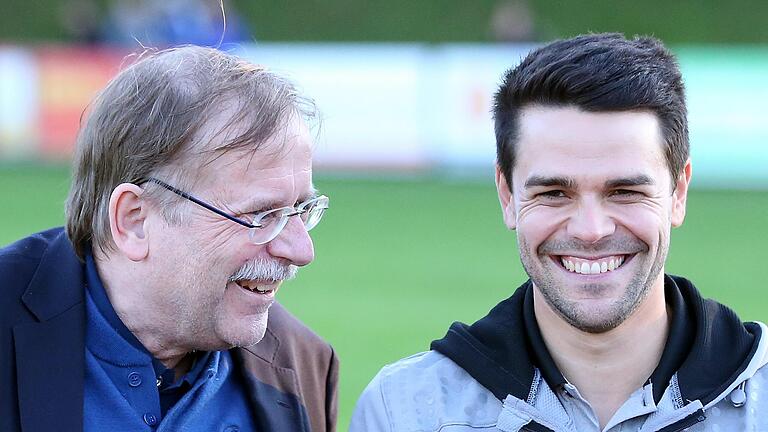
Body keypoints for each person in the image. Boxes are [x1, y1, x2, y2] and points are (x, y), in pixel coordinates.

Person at [351, 33, 768, 431]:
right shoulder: (405, 411)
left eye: (624, 191)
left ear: (678, 192)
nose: (591, 230)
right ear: (507, 196)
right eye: (554, 193)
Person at [0, 46, 337, 432]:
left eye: (301, 210)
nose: (300, 250)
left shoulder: (305, 364)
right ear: (134, 220)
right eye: (260, 215)